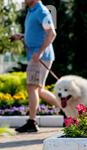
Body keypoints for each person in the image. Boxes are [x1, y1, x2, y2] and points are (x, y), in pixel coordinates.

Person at [11, 0, 60, 133]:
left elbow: (52, 33)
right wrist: (21, 36)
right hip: (37, 56)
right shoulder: (32, 11)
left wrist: (40, 52)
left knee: (32, 87)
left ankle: (32, 122)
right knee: (38, 90)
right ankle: (66, 108)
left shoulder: (41, 11)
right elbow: (37, 33)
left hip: (39, 57)